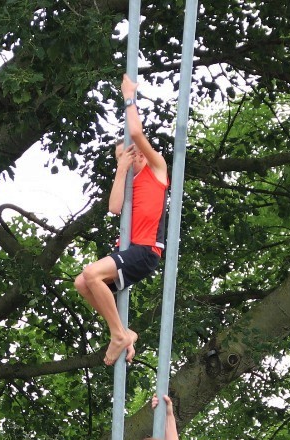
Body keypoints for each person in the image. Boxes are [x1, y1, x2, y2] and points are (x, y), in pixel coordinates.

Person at [74, 73, 170, 366]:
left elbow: (136, 132)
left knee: (91, 273)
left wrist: (129, 97)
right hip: (128, 250)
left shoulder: (156, 170)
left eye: (132, 151)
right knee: (82, 283)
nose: (131, 155)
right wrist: (120, 169)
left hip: (146, 250)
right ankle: (124, 332)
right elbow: (114, 208)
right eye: (123, 155)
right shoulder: (128, 182)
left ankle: (118, 334)